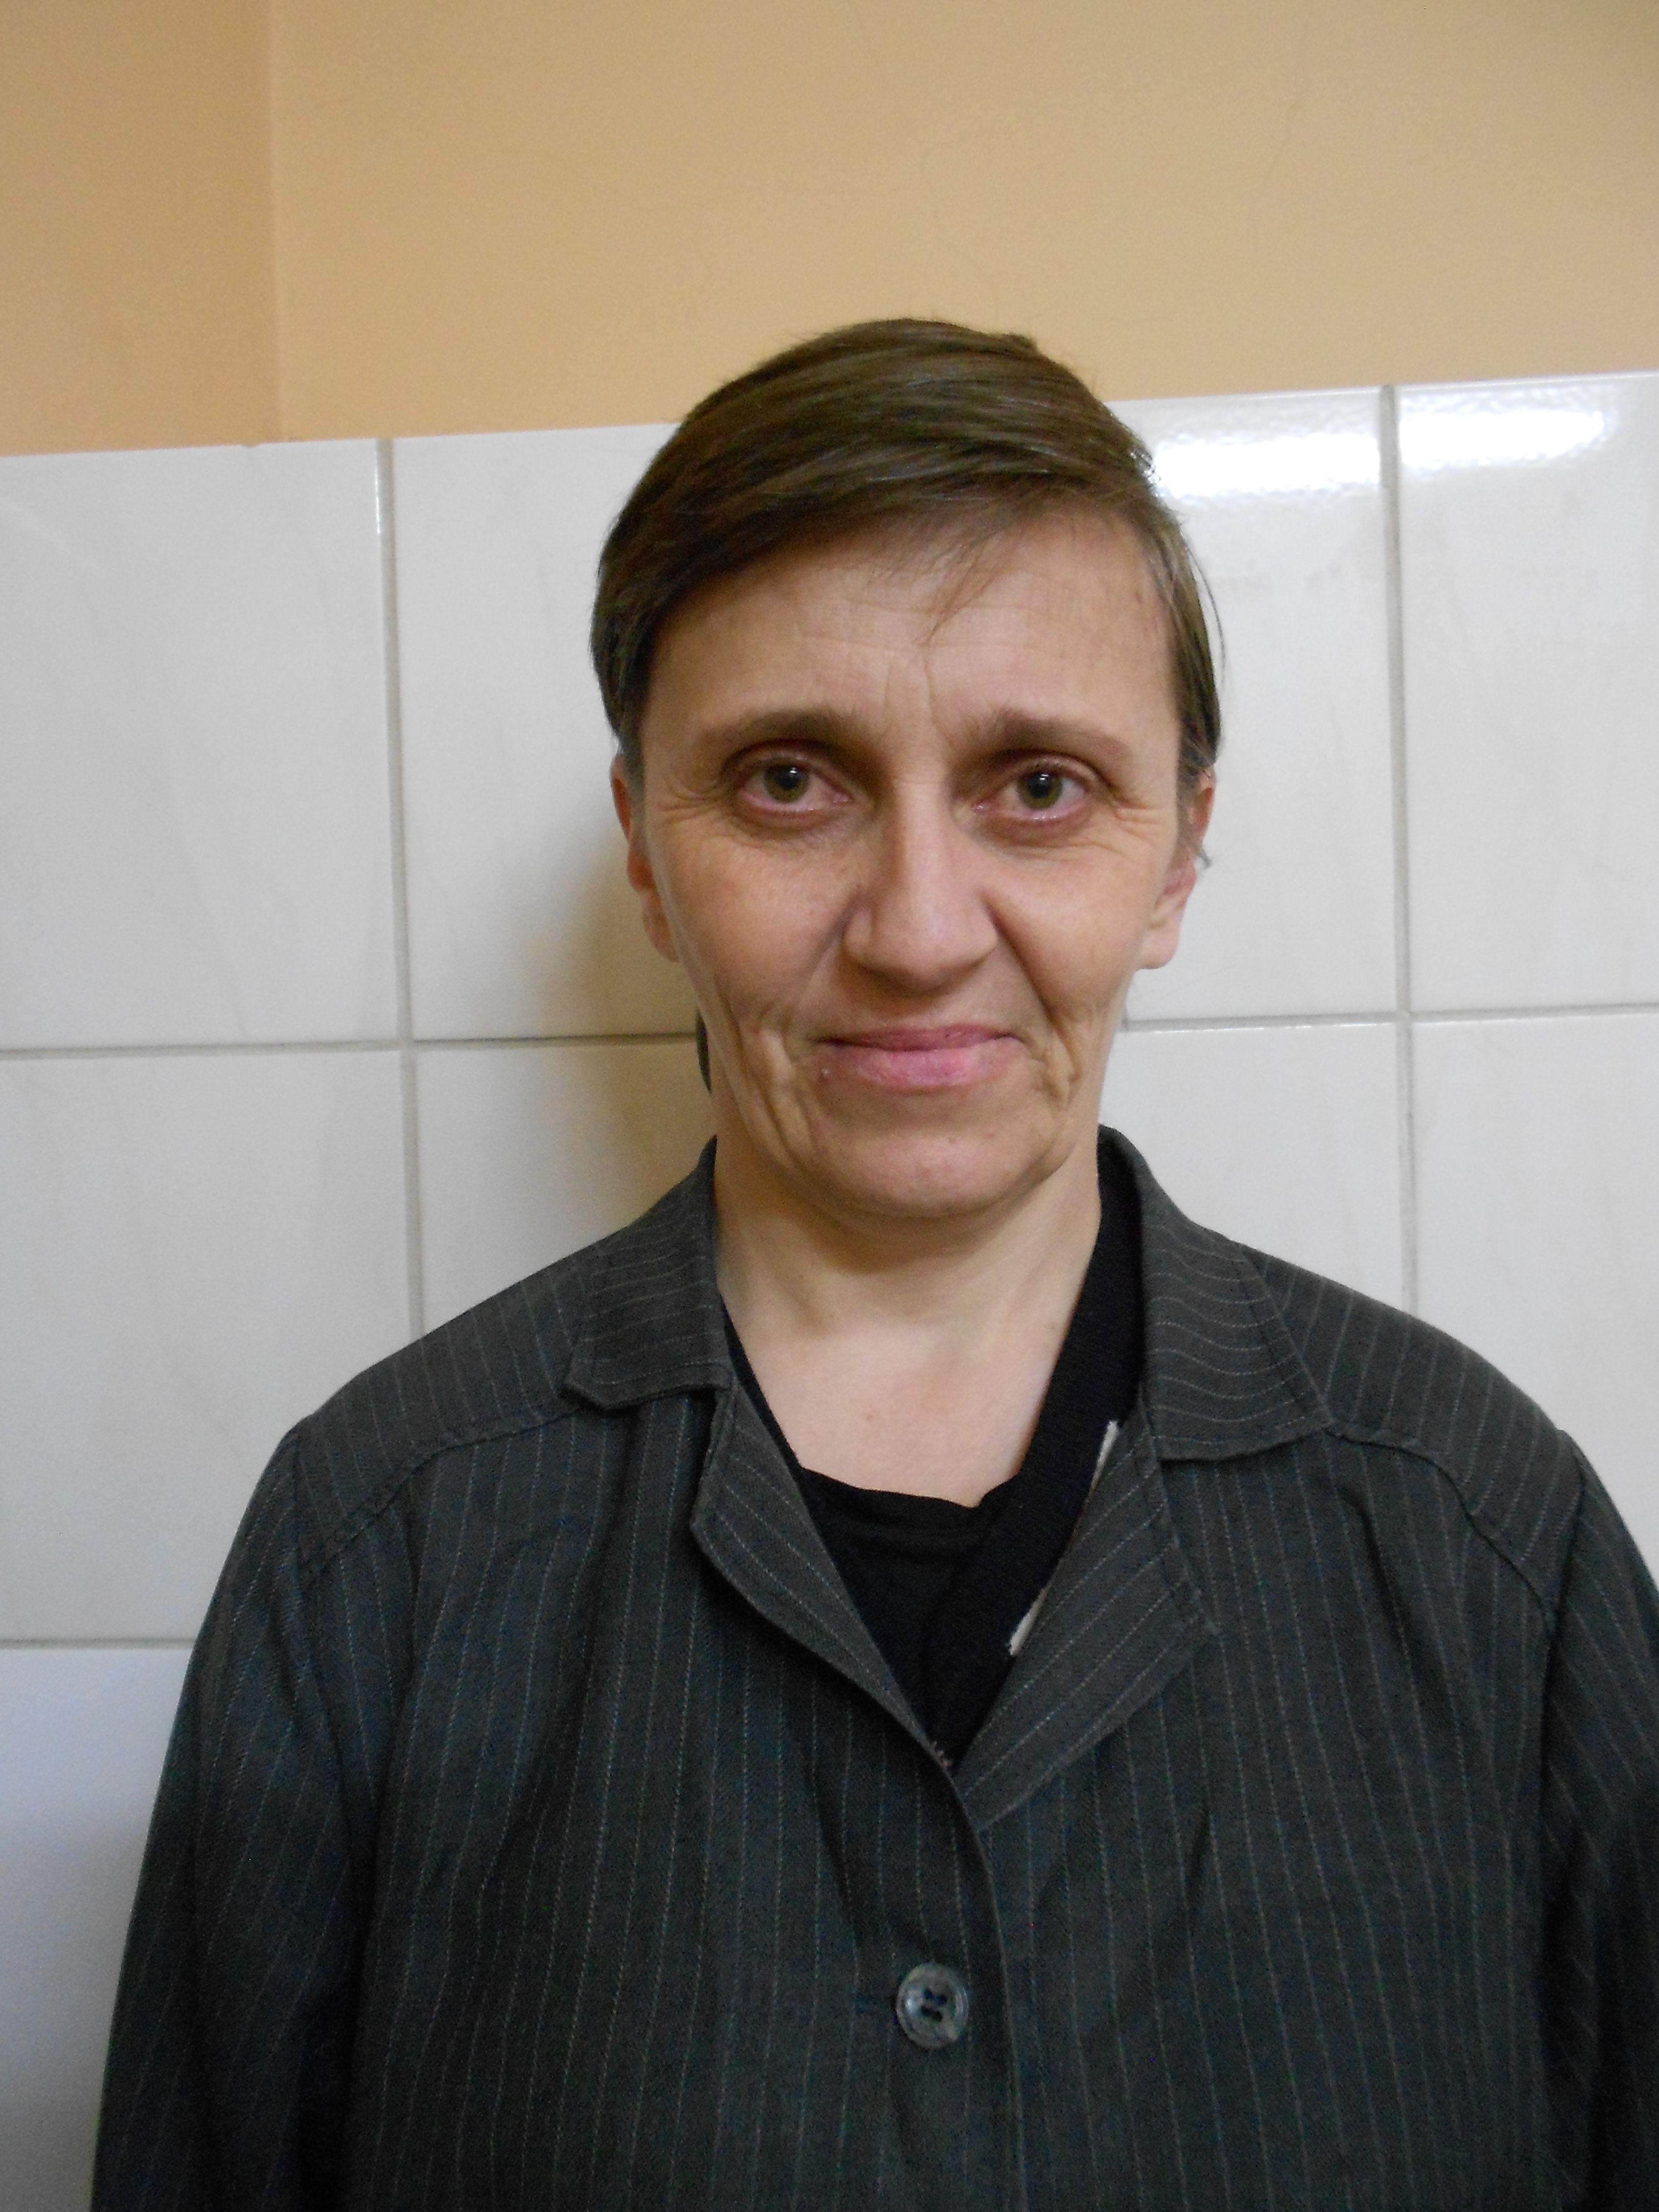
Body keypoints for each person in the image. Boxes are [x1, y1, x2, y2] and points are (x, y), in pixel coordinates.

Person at [96, 321, 1659, 2210]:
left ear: (1178, 858)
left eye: (1040, 786)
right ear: (647, 855)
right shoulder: (376, 1549)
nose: (919, 933)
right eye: (787, 781)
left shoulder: (1492, 1543)